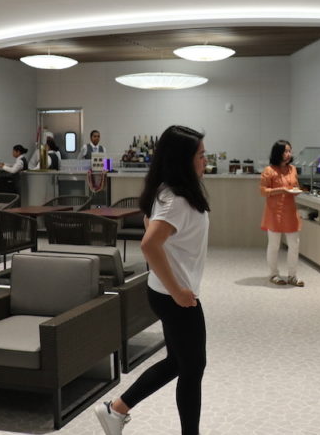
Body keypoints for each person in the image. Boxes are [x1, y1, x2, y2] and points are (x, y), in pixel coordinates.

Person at [95, 125, 209, 435]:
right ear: (182, 159)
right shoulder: (176, 199)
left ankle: (116, 409)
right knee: (193, 367)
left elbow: (149, 224)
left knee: (179, 362)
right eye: (200, 155)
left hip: (164, 291)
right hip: (175, 296)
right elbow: (149, 244)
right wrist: (179, 291)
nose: (205, 161)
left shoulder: (168, 190)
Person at [260, 139, 304, 287]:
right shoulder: (269, 170)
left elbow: (295, 186)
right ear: (278, 153)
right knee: (274, 245)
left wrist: (295, 190)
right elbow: (263, 191)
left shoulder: (293, 169)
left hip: (290, 212)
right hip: (274, 212)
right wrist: (281, 190)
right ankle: (273, 274)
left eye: (289, 151)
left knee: (294, 244)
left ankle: (292, 275)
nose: (288, 154)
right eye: (285, 151)